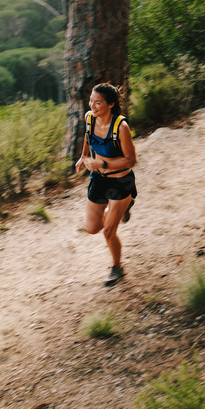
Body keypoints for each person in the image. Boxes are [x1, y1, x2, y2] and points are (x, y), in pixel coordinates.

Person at [74, 83, 137, 286]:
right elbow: (87, 135)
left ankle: (117, 267)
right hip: (99, 179)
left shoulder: (121, 127)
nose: (92, 105)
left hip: (120, 181)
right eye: (91, 100)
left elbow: (130, 160)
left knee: (109, 231)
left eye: (98, 102)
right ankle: (120, 209)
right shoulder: (89, 118)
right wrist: (83, 156)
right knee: (92, 228)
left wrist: (101, 163)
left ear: (110, 104)